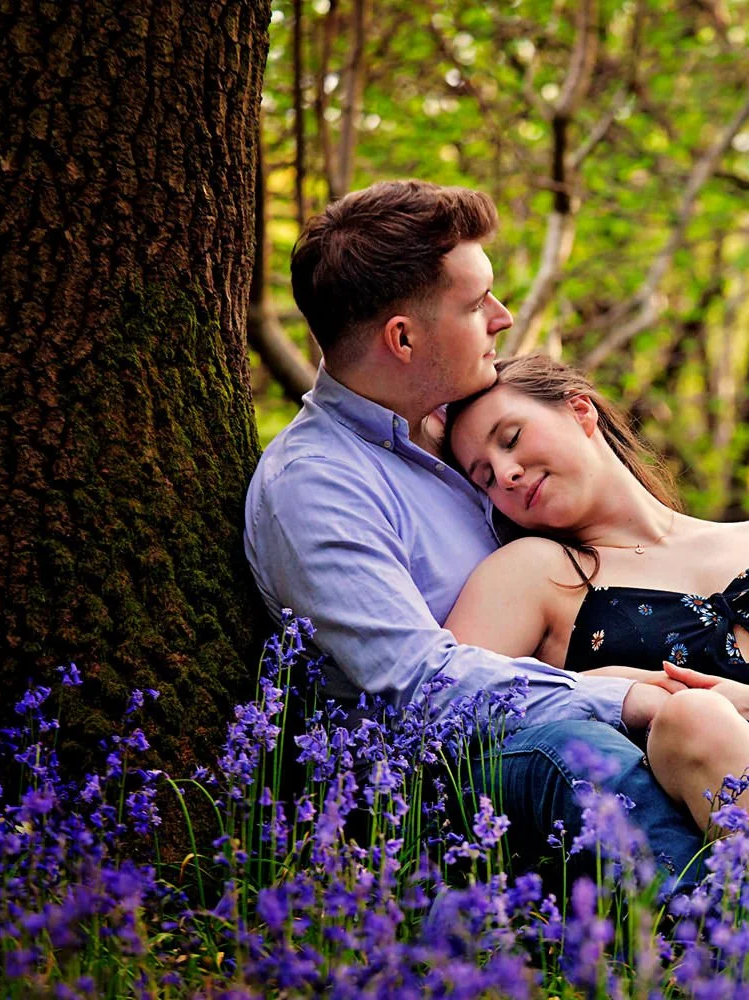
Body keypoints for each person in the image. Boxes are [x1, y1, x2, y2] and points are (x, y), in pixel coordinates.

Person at [243, 180, 707, 895]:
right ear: (403, 338)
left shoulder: (466, 427)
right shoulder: (318, 485)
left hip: (551, 709)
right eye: (475, 303)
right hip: (436, 776)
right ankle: (731, 935)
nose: (503, 316)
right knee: (573, 751)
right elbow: (417, 687)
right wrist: (619, 699)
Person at [442, 354, 749, 939]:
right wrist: (618, 687)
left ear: (580, 411)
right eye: (483, 475)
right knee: (693, 717)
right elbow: (447, 703)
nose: (505, 474)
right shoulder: (533, 571)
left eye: (512, 439)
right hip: (702, 841)